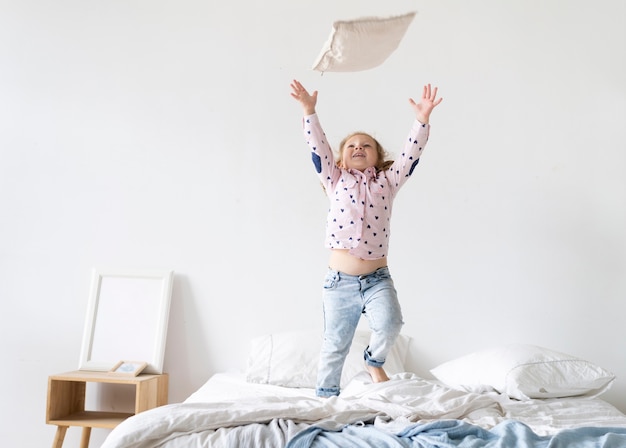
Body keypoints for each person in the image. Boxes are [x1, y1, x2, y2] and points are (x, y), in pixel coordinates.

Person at [290, 79, 442, 397]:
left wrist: (422, 120)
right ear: (341, 160)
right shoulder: (335, 179)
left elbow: (410, 156)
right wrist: (309, 111)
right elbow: (317, 147)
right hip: (339, 283)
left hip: (377, 280)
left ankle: (373, 361)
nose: (359, 147)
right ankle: (326, 398)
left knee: (390, 324)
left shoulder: (388, 181)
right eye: (352, 146)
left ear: (377, 156)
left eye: (366, 145)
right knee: (335, 343)